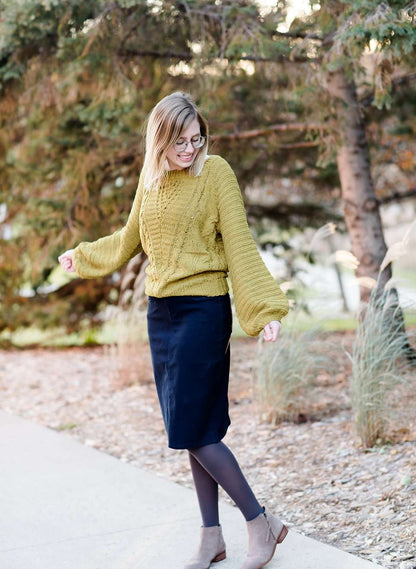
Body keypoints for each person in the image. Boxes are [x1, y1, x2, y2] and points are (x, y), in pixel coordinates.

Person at [58, 92, 289, 569]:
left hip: (204, 311)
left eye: (196, 138)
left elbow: (241, 244)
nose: (190, 148)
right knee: (190, 428)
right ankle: (211, 539)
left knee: (195, 429)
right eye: (180, 140)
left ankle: (259, 520)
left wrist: (265, 311)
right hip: (160, 314)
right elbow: (127, 241)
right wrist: (82, 257)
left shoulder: (215, 172)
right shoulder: (152, 180)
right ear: (159, 139)